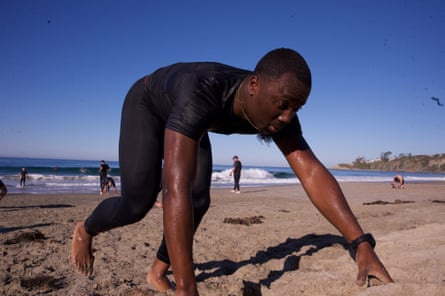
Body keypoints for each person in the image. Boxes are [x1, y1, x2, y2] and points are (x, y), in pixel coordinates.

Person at [71, 48, 393, 295]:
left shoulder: (278, 109)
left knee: (200, 201)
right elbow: (173, 191)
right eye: (282, 104)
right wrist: (188, 289)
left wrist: (361, 243)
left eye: (296, 108)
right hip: (148, 105)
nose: (287, 116)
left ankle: (157, 272)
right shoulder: (202, 93)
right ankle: (85, 230)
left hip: (190, 118)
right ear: (254, 85)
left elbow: (310, 172)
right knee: (137, 204)